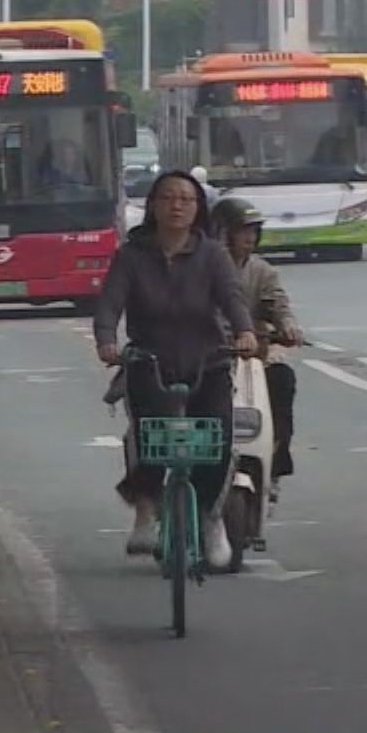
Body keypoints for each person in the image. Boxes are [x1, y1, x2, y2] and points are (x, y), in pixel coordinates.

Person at [94, 171, 258, 568]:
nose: (177, 205)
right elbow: (110, 303)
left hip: (209, 360)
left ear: (198, 208)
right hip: (150, 360)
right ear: (152, 205)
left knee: (216, 438)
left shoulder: (213, 255)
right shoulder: (131, 255)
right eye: (168, 197)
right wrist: (106, 341)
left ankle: (211, 517)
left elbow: (232, 298)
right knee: (150, 435)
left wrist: (245, 332)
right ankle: (146, 511)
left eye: (186, 198)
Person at [210, 198, 304, 486]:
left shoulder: (262, 271)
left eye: (253, 231)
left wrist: (287, 327)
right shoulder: (199, 268)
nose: (249, 238)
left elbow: (278, 304)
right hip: (207, 359)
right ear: (221, 232)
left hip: (251, 359)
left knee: (282, 381)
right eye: (241, 230)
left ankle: (274, 465)